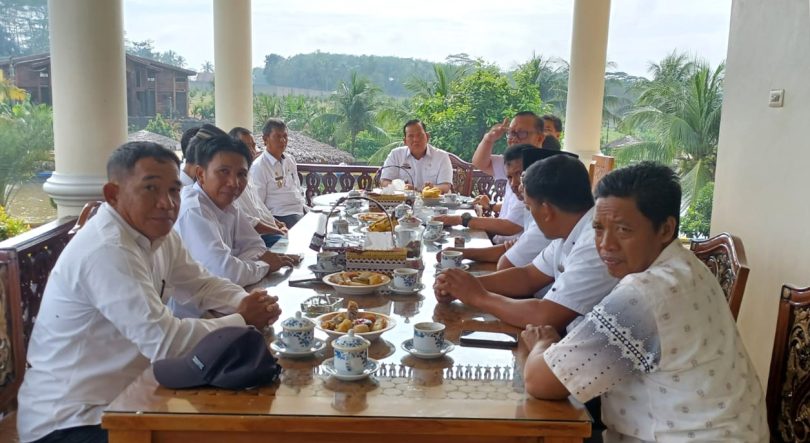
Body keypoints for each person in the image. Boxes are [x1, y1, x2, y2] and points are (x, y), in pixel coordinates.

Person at [16, 142, 283, 443]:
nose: (166, 203)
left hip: (132, 398)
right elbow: (166, 342)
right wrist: (242, 318)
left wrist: (243, 300)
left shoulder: (157, 235)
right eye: (150, 189)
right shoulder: (107, 250)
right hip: (73, 420)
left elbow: (201, 282)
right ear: (113, 194)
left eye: (173, 190)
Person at [521, 162, 768, 441]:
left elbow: (540, 382)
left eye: (623, 230)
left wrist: (542, 342)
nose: (606, 244)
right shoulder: (687, 265)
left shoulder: (645, 294)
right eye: (598, 229)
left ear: (665, 229)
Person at [433, 154, 618, 332]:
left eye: (529, 207)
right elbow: (527, 277)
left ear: (546, 210)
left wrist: (478, 296)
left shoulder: (596, 244)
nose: (530, 216)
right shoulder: (568, 230)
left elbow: (545, 317)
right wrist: (463, 285)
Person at [172, 134, 299, 318]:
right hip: (197, 321)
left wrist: (243, 263)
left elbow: (256, 246)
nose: (234, 183)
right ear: (201, 174)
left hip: (226, 304)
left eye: (241, 174)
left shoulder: (228, 205)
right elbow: (226, 272)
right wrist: (263, 265)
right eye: (223, 172)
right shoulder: (194, 210)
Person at [436, 145, 553, 270]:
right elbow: (511, 248)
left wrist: (462, 220)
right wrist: (462, 253)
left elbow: (507, 261)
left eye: (520, 175)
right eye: (509, 177)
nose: (515, 184)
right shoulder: (530, 208)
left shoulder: (547, 223)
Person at [469, 111, 549, 244]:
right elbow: (480, 163)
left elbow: (511, 226)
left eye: (521, 133)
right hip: (499, 241)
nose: (514, 138)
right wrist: (489, 139)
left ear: (540, 138)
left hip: (514, 249)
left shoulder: (542, 173)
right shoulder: (512, 162)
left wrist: (464, 220)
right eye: (511, 133)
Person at [228, 127, 288, 247]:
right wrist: (276, 231)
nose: (252, 150)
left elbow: (260, 208)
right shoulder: (230, 182)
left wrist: (276, 223)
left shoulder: (248, 175)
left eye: (253, 145)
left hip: (270, 230)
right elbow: (247, 221)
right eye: (246, 146)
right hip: (256, 239)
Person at [249, 118, 306, 228]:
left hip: (299, 209)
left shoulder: (290, 160)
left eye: (285, 136)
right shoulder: (259, 167)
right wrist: (274, 224)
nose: (283, 140)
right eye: (278, 136)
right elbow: (258, 203)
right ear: (265, 139)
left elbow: (297, 187)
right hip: (281, 215)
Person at [379, 119, 453, 193]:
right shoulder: (395, 155)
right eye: (411, 136)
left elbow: (445, 186)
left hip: (433, 202)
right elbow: (384, 181)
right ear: (405, 141)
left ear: (427, 137)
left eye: (419, 135)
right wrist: (402, 188)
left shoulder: (442, 156)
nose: (416, 139)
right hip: (402, 202)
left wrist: (432, 188)